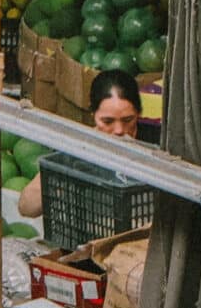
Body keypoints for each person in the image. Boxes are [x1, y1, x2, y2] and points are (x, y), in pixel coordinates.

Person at [19, 70, 143, 219]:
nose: (119, 130)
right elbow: (26, 207)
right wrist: (64, 176)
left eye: (128, 120)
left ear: (139, 114)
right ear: (93, 115)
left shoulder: (151, 150)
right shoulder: (79, 151)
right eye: (107, 121)